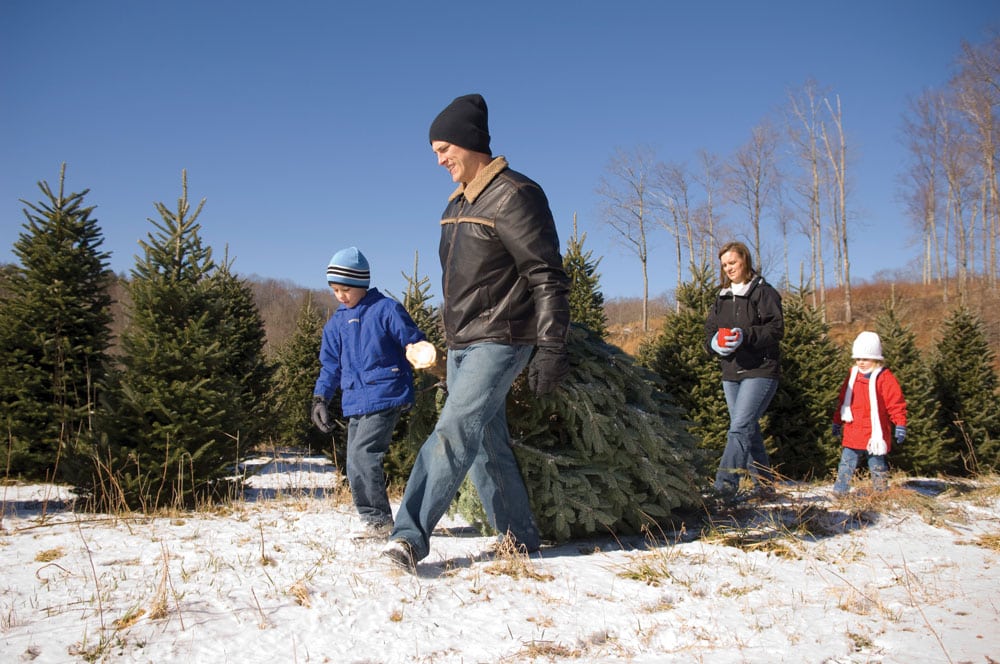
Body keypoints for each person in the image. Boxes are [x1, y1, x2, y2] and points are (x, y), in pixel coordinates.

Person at [381, 93, 571, 572]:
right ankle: (519, 537)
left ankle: (407, 538)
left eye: (444, 148)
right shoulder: (455, 206)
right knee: (486, 439)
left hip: (504, 336)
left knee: (452, 431)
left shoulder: (515, 194)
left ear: (470, 142)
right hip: (463, 340)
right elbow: (459, 284)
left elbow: (546, 274)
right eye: (435, 152)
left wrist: (550, 346)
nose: (440, 159)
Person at [311, 246, 436, 539]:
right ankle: (372, 519)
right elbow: (330, 367)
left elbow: (412, 340)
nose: (341, 296)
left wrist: (421, 353)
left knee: (364, 454)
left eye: (345, 289)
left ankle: (379, 522)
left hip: (385, 393)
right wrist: (321, 398)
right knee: (353, 459)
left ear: (360, 284)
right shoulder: (336, 325)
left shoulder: (386, 310)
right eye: (335, 290)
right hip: (356, 399)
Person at [704, 241, 784, 502]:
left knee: (739, 428)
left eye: (733, 263)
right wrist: (715, 344)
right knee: (749, 429)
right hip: (731, 373)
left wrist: (745, 335)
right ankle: (765, 486)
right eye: (725, 265)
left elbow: (776, 329)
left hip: (760, 370)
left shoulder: (763, 293)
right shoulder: (721, 297)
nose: (729, 268)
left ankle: (724, 487)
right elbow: (709, 333)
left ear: (745, 261)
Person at [831, 331, 907, 494]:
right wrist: (837, 421)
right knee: (846, 463)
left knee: (877, 464)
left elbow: (895, 402)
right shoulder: (852, 375)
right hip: (854, 430)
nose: (861, 362)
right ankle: (840, 491)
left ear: (876, 359)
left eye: (865, 359)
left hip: (875, 433)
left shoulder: (884, 377)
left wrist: (900, 423)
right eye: (858, 359)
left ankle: (880, 492)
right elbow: (844, 400)